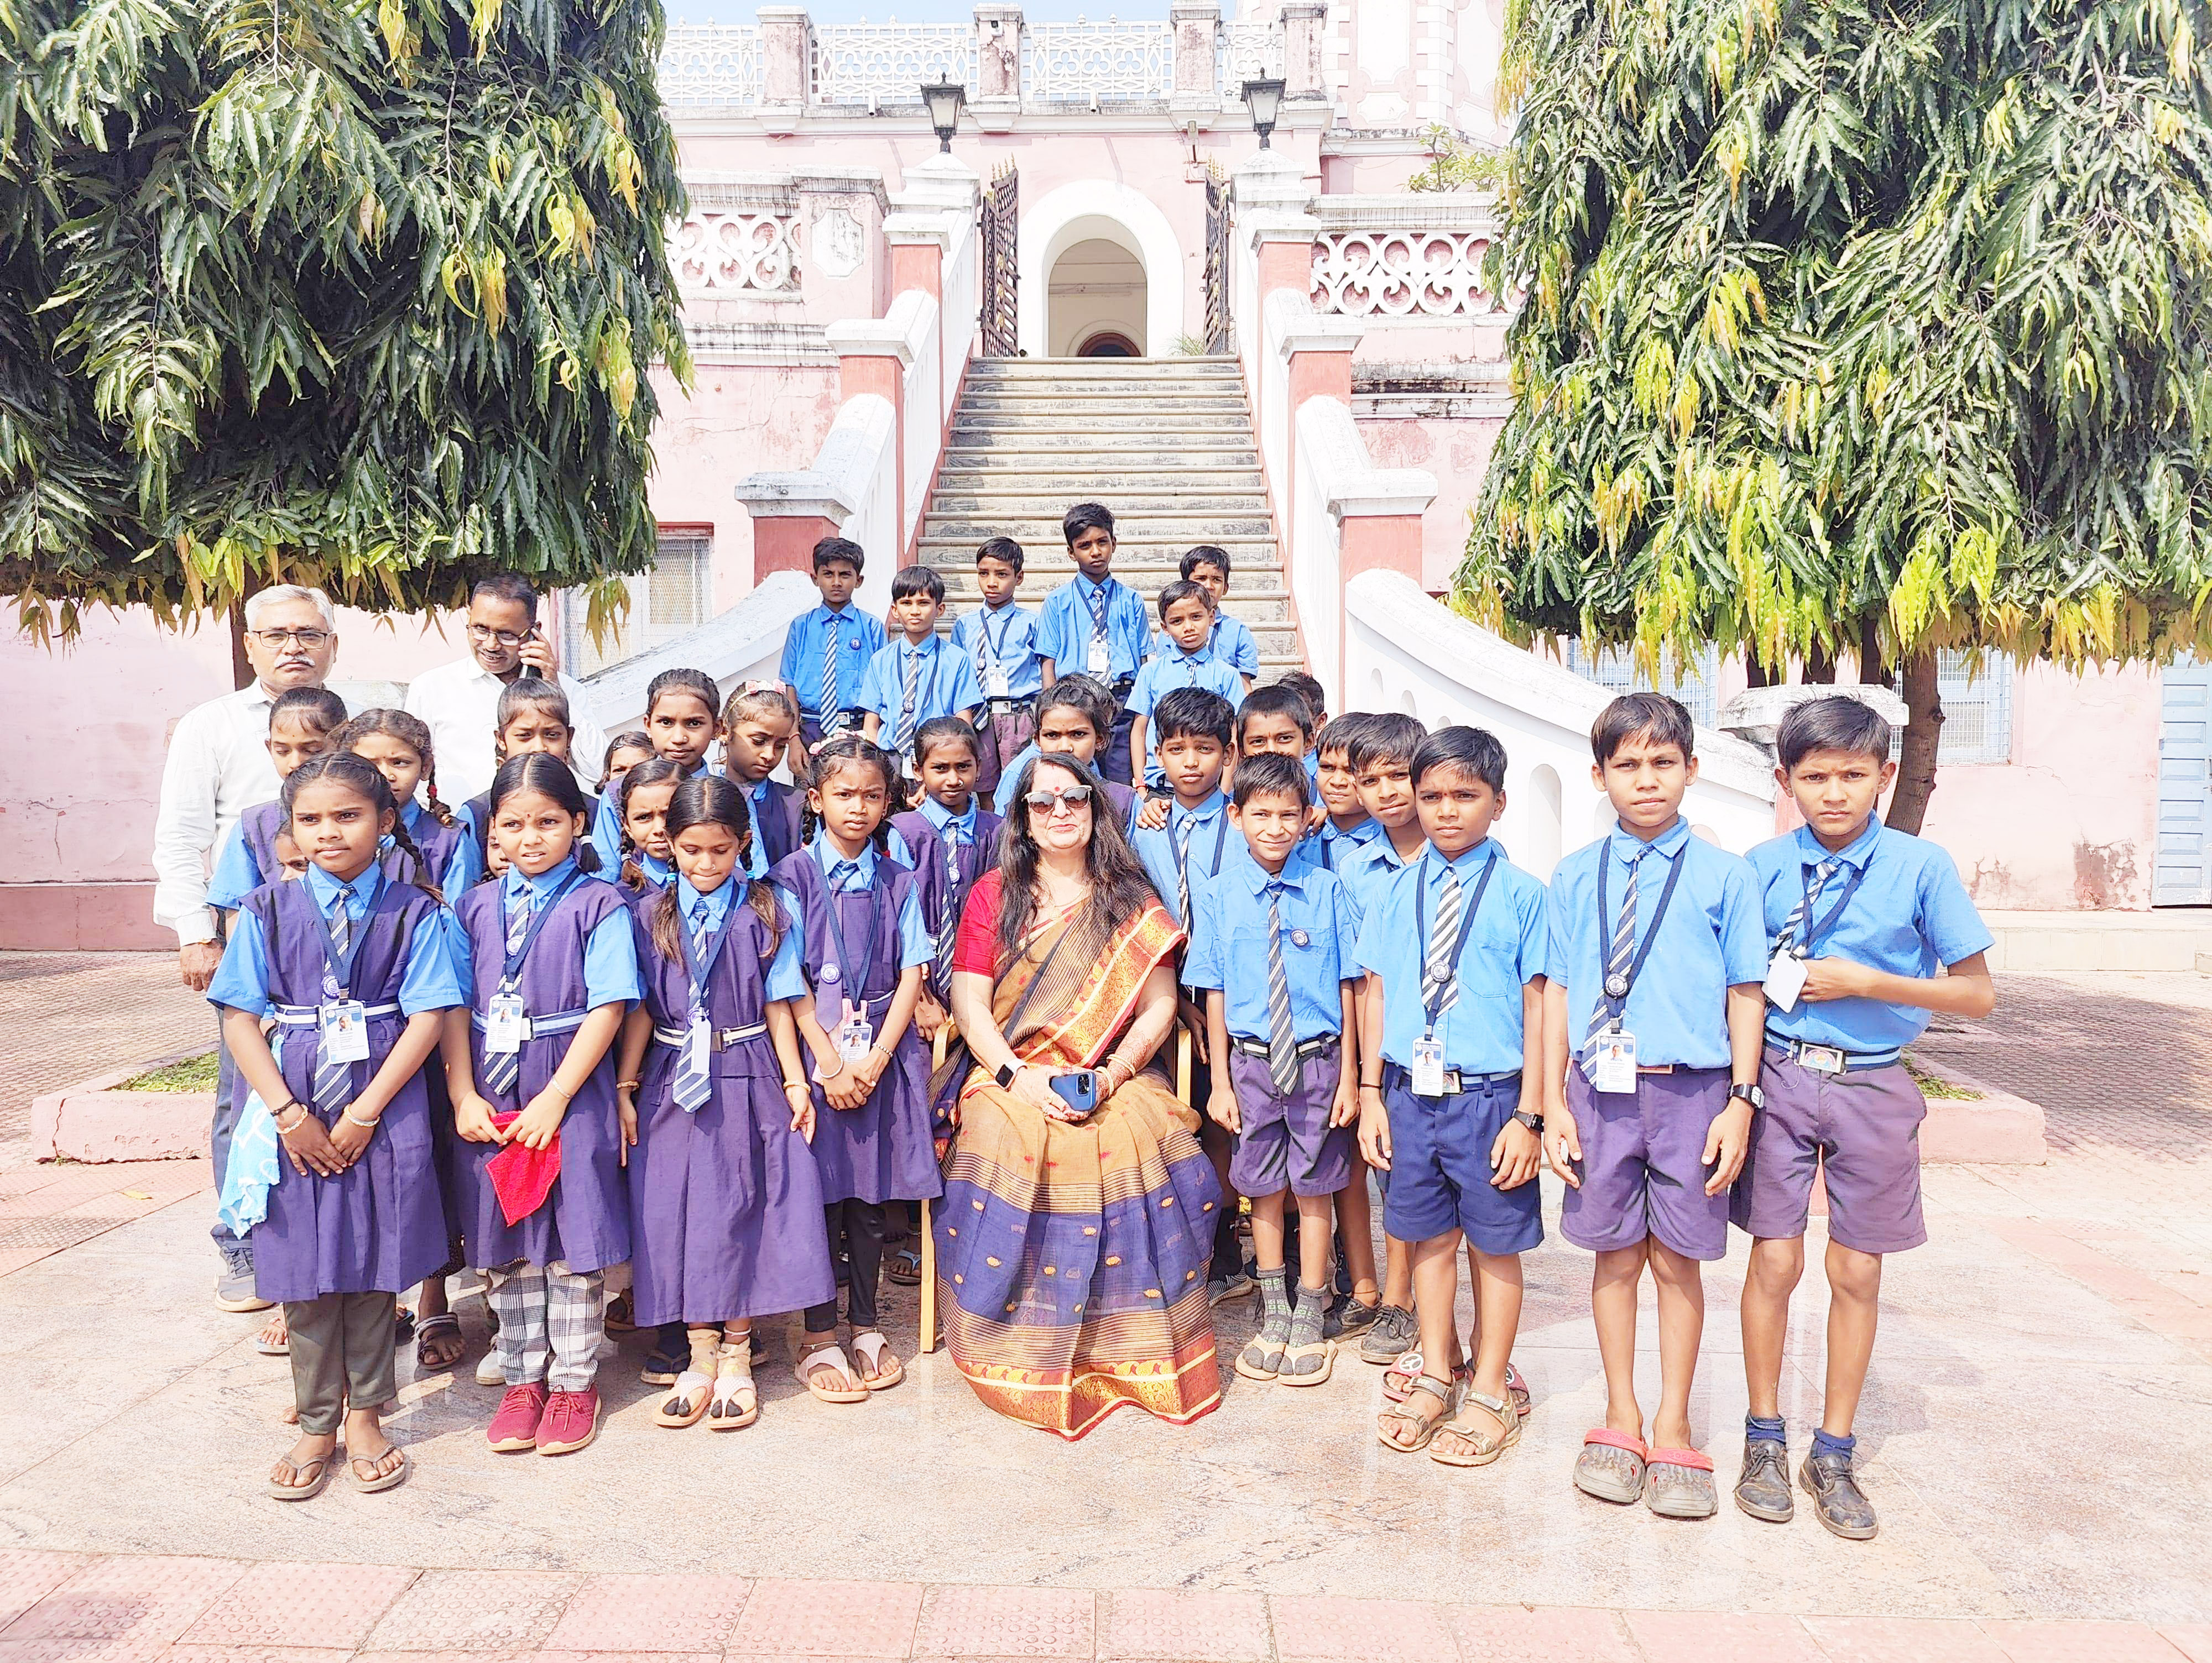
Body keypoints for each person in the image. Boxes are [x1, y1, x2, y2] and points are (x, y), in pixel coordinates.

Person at [1732, 695, 1996, 1539]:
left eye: (1853, 776)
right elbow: (1736, 985)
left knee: (1858, 1271)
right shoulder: (1761, 868)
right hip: (1777, 1077)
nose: (1835, 793)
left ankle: (1833, 1449)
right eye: (1815, 778)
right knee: (1774, 1262)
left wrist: (1869, 983)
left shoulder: (1922, 869)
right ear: (1786, 781)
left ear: (1886, 776)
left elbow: (1977, 994)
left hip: (1874, 1083)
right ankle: (1764, 1438)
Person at [937, 752, 1224, 1437]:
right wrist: (1017, 1076)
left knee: (1140, 1136)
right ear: (1023, 818)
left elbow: (1159, 1006)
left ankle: (1132, 1346)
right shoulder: (994, 895)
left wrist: (1113, 1073)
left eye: (1074, 799)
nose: (1060, 812)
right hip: (1009, 1069)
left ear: (1096, 810)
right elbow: (970, 1005)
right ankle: (1014, 1338)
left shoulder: (1129, 897)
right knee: (1013, 1136)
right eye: (1043, 803)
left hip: (1108, 1070)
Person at [207, 752, 462, 1499]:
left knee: (375, 1263)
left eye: (347, 815)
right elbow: (240, 1020)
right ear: (289, 831)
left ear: (386, 822)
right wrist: (288, 1113)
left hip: (381, 1104)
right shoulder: (264, 911)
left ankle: (368, 1417)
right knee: (302, 1268)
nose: (328, 832)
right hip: (292, 1110)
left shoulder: (415, 911)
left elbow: (427, 1017)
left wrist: (364, 1111)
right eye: (311, 819)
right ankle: (319, 1419)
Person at [1540, 692, 1766, 1520]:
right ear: (1600, 776)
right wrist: (1552, 1103)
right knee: (1613, 1257)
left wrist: (1741, 1100)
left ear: (1692, 771)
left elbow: (1748, 992)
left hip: (1692, 1091)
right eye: (1627, 765)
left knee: (1677, 1260)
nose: (1646, 780)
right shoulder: (1573, 876)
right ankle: (1621, 1414)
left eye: (1662, 763)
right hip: (1599, 1092)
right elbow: (1558, 992)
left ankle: (1674, 1420)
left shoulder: (1725, 876)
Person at [615, 776, 832, 1432]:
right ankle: (698, 1352)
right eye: (690, 850)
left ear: (742, 843)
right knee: (677, 1212)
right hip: (670, 1075)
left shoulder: (767, 910)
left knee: (744, 1207)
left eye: (719, 850)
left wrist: (797, 1081)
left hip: (748, 1071)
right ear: (667, 844)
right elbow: (638, 1013)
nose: (704, 864)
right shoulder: (647, 914)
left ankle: (738, 1352)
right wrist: (626, 1088)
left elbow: (779, 1001)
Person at [1358, 728, 1547, 1467]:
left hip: (1489, 1099)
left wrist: (1530, 1114)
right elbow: (1375, 993)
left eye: (1465, 796)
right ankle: (1439, 1368)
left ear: (1498, 803)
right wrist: (1372, 1094)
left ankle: (1493, 1387)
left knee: (1495, 1244)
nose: (1446, 811)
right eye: (1431, 795)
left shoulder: (1525, 895)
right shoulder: (1393, 889)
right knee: (1426, 1237)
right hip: (1409, 1093)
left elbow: (1539, 1008)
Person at [444, 754, 639, 1458]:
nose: (531, 838)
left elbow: (610, 1003)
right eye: (513, 825)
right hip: (493, 1099)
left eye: (548, 822)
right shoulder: (471, 906)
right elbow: (452, 1006)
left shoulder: (600, 903)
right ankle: (523, 1378)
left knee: (571, 1243)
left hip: (568, 1091)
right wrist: (463, 1092)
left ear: (578, 823)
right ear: (493, 833)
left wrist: (558, 1095)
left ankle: (575, 1382)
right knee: (508, 1248)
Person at [154, 583, 342, 1312]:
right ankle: (240, 1249)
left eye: (308, 633)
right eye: (275, 635)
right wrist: (195, 932)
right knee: (244, 1096)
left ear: (330, 644)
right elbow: (182, 834)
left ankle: (324, 1245)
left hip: (343, 951)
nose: (293, 645)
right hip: (252, 943)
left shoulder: (345, 718)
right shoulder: (213, 725)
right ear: (251, 645)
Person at [773, 736, 940, 1401]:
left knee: (872, 1199)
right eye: (843, 793)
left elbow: (912, 972)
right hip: (819, 1059)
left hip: (881, 1058)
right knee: (821, 1197)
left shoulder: (900, 879)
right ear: (815, 799)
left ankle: (867, 1323)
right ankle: (817, 1332)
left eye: (873, 795)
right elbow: (786, 980)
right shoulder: (790, 877)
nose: (858, 807)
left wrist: (873, 1058)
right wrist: (830, 1060)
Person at [1187, 755, 1360, 1389]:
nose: (1275, 825)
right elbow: (1213, 991)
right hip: (1252, 1060)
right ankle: (1274, 1303)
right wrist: (1223, 1083)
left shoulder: (1326, 888)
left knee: (1314, 1183)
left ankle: (1312, 1302)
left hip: (1318, 1058)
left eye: (1289, 813)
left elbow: (1347, 982)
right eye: (1260, 813)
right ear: (1235, 817)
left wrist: (1349, 1076)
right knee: (1261, 1184)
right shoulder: (1217, 895)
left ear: (1309, 817)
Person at [1126, 687, 1243, 1303]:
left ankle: (1226, 1250)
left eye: (1204, 749)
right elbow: (1132, 908)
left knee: (1224, 1124)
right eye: (1176, 749)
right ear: (1157, 756)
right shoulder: (1145, 822)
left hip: (1233, 984)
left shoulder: (1245, 817)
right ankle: (1177, 1242)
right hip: (1164, 983)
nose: (1190, 762)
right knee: (1171, 1118)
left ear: (1228, 753)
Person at [1334, 711, 1427, 1368]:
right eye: (1372, 780)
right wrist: (1364, 1077)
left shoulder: (1469, 851)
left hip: (1463, 1051)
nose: (1388, 791)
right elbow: (1364, 979)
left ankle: (1440, 1303)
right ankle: (1398, 1297)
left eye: (1401, 774)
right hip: (1389, 1048)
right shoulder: (1355, 867)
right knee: (1395, 1177)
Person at [405, 574, 606, 802]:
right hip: (459, 830)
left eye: (507, 635)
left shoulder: (566, 688)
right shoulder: (431, 688)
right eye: (480, 629)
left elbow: (599, 771)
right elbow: (413, 775)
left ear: (534, 632)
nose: (491, 645)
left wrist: (554, 688)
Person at [206, 689, 352, 918]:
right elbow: (238, 912)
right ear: (269, 748)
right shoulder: (256, 825)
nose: (295, 763)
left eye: (312, 750)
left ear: (344, 743)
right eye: (282, 751)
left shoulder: (367, 818)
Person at [1034, 504, 1150, 785]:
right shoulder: (1057, 602)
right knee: (1075, 779)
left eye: (1102, 542)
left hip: (1121, 705)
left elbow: (1146, 659)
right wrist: (1053, 708)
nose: (1095, 552)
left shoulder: (1131, 600)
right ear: (1072, 552)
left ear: (1114, 544)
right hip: (1075, 702)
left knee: (1120, 781)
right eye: (1085, 545)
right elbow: (1048, 662)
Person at [333, 710, 480, 903]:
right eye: (369, 763)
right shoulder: (329, 834)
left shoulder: (447, 840)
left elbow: (457, 918)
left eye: (400, 763)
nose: (386, 775)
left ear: (425, 767)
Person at [590, 670, 719, 867]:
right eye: (666, 722)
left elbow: (748, 870)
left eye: (694, 723)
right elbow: (605, 876)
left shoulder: (727, 795)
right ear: (648, 725)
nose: (678, 738)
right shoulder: (618, 793)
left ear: (716, 728)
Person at [858, 566, 985, 762]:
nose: (915, 611)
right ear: (895, 610)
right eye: (906, 603)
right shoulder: (880, 660)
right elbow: (871, 722)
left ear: (940, 609)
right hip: (889, 756)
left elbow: (963, 721)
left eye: (924, 603)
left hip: (939, 757)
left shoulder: (957, 659)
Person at [779, 536, 885, 771]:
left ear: (859, 580)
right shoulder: (801, 627)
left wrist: (869, 733)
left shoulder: (872, 628)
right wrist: (793, 739)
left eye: (845, 575)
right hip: (809, 730)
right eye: (828, 574)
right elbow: (790, 687)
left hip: (856, 730)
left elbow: (881, 686)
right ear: (815, 578)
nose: (836, 582)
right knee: (809, 798)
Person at [1126, 581, 1245, 787]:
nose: (1188, 627)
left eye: (1196, 617)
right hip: (1160, 782)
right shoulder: (1151, 672)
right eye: (1177, 621)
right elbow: (1140, 730)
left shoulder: (1227, 675)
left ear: (1212, 617)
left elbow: (1234, 733)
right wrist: (1140, 784)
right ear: (1165, 627)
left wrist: (1226, 788)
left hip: (1210, 781)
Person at [950, 536, 1040, 803]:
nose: (991, 582)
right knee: (985, 788)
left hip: (1019, 717)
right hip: (979, 717)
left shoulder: (1031, 623)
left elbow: (1044, 668)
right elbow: (959, 675)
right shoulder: (965, 625)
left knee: (1021, 786)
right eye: (983, 574)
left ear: (1019, 577)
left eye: (1001, 574)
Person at [461, 678, 585, 871]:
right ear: (501, 739)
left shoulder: (591, 809)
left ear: (569, 738)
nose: (538, 748)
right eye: (525, 736)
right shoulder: (477, 813)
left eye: (552, 735)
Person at [997, 678, 1139, 829]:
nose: (1065, 747)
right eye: (1052, 735)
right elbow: (1005, 834)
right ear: (1037, 739)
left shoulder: (1122, 800)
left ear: (1099, 739)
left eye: (1078, 734)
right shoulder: (1018, 775)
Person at [720, 686, 805, 874]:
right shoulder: (703, 798)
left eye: (781, 746)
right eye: (759, 741)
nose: (769, 755)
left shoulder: (796, 803)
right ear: (725, 731)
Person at [1173, 546, 1259, 685]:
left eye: (1217, 580)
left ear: (1225, 588)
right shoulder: (1173, 630)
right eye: (1201, 578)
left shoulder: (1238, 632)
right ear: (1185, 584)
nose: (1209, 586)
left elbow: (1244, 687)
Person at [1306, 714, 1381, 872]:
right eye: (1327, 768)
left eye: (1350, 771)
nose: (1337, 781)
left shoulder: (1393, 844)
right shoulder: (1301, 839)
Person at [613, 759, 685, 894]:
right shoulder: (622, 897)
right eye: (644, 817)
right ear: (627, 825)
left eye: (669, 814)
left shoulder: (728, 883)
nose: (659, 829)